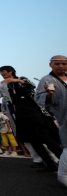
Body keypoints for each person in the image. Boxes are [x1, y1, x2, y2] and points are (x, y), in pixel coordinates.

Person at [0, 66, 63, 172]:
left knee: (45, 137)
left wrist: (15, 80)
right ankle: (50, 165)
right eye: (1, 73)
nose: (2, 75)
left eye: (4, 72)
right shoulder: (5, 86)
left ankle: (63, 162)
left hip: (33, 112)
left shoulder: (22, 79)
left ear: (11, 72)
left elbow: (31, 85)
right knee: (33, 141)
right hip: (20, 115)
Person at [36, 55, 67, 187]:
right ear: (51, 65)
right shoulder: (47, 79)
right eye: (57, 64)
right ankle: (63, 174)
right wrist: (49, 94)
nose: (61, 66)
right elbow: (40, 99)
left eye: (64, 64)